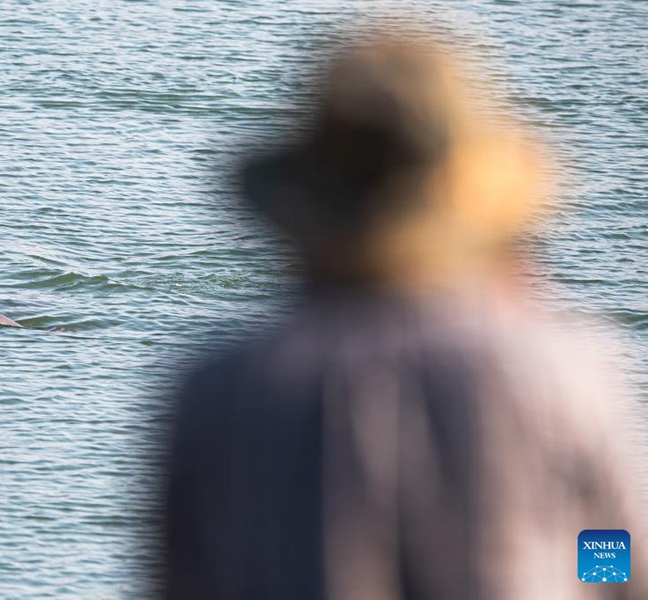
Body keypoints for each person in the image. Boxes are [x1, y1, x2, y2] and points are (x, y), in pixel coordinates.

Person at [161, 31, 647, 599]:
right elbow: (615, 552)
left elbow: (189, 579)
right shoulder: (560, 372)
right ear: (478, 213)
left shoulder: (220, 387)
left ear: (302, 208)